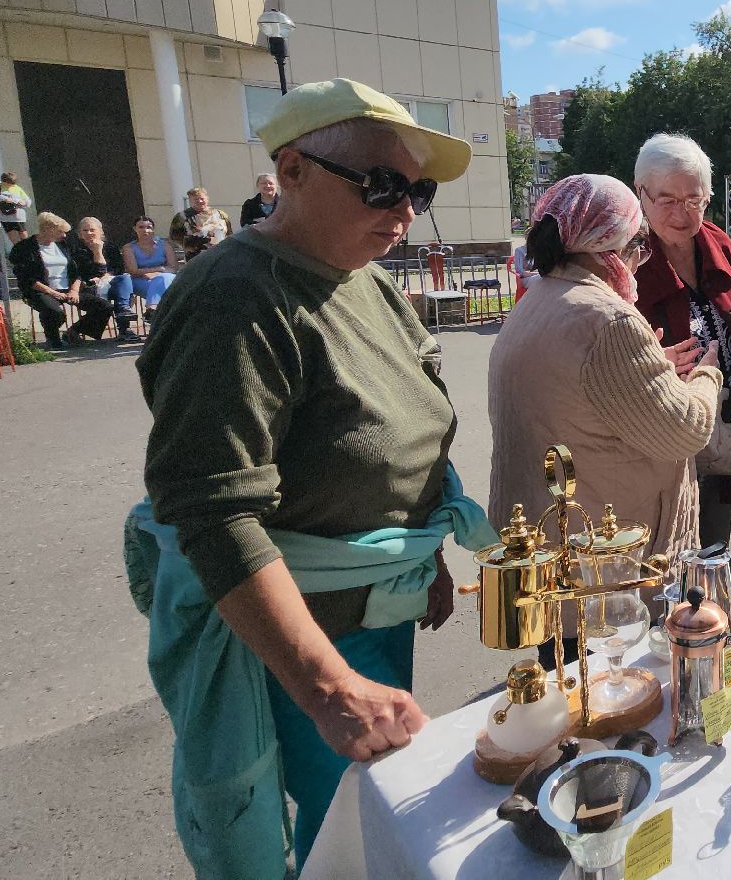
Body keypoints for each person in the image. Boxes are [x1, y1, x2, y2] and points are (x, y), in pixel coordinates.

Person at [132, 77, 488, 876]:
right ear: (291, 171)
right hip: (302, 633)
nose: (404, 210)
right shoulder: (235, 296)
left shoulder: (368, 278)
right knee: (353, 837)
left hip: (377, 606)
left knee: (372, 823)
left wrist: (423, 554)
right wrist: (327, 688)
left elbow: (404, 432)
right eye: (382, 184)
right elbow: (213, 511)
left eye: (417, 191)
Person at [487, 173, 722, 584]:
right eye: (637, 247)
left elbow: (580, 392)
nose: (638, 261)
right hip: (601, 563)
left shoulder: (540, 297)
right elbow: (687, 429)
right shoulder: (607, 318)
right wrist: (706, 374)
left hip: (545, 544)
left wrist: (650, 367)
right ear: (609, 247)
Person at [629, 133, 731, 550]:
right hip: (660, 435)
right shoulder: (620, 257)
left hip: (723, 425)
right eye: (666, 199)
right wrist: (649, 363)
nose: (681, 213)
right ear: (640, 193)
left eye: (693, 200)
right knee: (666, 555)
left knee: (713, 549)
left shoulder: (719, 243)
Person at [9, 212, 112, 348]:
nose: (64, 235)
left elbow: (77, 271)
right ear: (47, 229)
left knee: (104, 307)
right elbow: (26, 278)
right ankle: (53, 339)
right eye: (60, 232)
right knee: (54, 312)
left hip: (67, 289)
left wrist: (74, 290)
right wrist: (53, 293)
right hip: (40, 290)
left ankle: (74, 332)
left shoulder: (64, 245)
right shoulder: (24, 248)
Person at [71, 216, 138, 341]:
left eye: (92, 230)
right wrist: (97, 252)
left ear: (100, 231)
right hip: (88, 286)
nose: (89, 233)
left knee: (124, 280)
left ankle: (124, 322)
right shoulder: (76, 250)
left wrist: (107, 275)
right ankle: (76, 330)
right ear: (80, 233)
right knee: (117, 297)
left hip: (110, 282)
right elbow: (85, 271)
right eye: (85, 230)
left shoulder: (110, 247)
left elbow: (119, 268)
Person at [119, 215, 182, 320]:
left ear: (153, 229)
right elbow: (133, 270)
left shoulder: (165, 245)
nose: (145, 230)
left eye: (149, 227)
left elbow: (174, 267)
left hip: (164, 277)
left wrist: (157, 274)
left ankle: (151, 310)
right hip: (140, 280)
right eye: (141, 227)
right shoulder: (129, 248)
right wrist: (158, 270)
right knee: (165, 287)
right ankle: (167, 317)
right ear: (135, 229)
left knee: (164, 278)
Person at [169, 186, 231, 251]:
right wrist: (191, 247)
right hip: (197, 255)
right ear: (190, 200)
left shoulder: (221, 215)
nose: (200, 201)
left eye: (202, 198)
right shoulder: (182, 217)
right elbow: (174, 237)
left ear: (207, 198)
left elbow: (229, 234)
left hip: (221, 253)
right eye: (196, 199)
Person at [0, 171, 30, 245]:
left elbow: (28, 201)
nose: (11, 185)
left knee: (23, 235)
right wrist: (5, 199)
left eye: (13, 183)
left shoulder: (17, 188)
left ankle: (27, 249)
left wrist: (23, 202)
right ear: (3, 181)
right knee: (13, 239)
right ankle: (18, 250)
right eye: (9, 183)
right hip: (5, 217)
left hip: (18, 217)